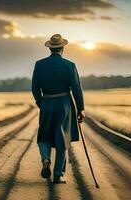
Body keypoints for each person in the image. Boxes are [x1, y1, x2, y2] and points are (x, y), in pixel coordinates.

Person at [31, 34, 85, 184]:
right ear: (63, 48)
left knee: (44, 136)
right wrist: (81, 109)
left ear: (50, 48)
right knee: (63, 139)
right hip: (64, 105)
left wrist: (41, 103)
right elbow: (76, 89)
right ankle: (57, 175)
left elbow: (35, 87)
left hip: (46, 103)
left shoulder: (39, 64)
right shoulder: (70, 65)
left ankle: (46, 159)